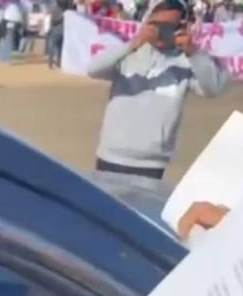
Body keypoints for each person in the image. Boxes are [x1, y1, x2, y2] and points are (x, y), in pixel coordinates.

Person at [88, 0, 229, 180]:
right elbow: (93, 69)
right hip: (110, 155)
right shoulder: (127, 55)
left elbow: (213, 88)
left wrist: (193, 52)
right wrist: (135, 43)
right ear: (146, 22)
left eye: (169, 26)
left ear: (182, 26)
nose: (161, 31)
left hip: (152, 162)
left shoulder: (187, 61)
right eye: (156, 25)